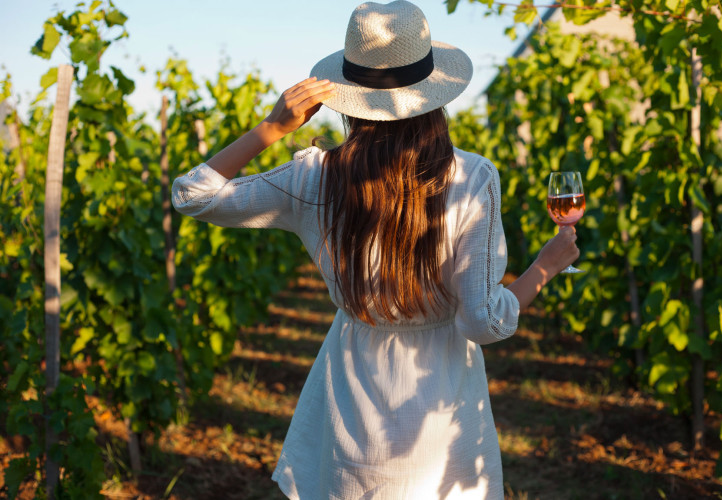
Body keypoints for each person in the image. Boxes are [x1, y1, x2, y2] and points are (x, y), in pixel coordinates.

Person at [172, 1, 579, 498]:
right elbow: (483, 322)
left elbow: (192, 195)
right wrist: (545, 266)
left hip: (352, 405)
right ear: (435, 92)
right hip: (441, 409)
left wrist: (272, 128)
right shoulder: (473, 179)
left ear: (347, 95)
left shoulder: (313, 177)